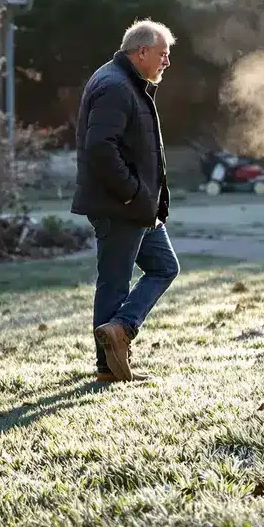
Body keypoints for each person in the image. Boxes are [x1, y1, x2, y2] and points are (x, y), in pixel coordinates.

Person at [71, 19, 179, 382]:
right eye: (163, 55)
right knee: (115, 282)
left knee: (164, 266)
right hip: (122, 205)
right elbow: (100, 148)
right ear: (142, 51)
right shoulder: (115, 86)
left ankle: (120, 329)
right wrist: (133, 193)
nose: (166, 62)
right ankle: (108, 366)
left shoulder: (128, 82)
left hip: (138, 205)